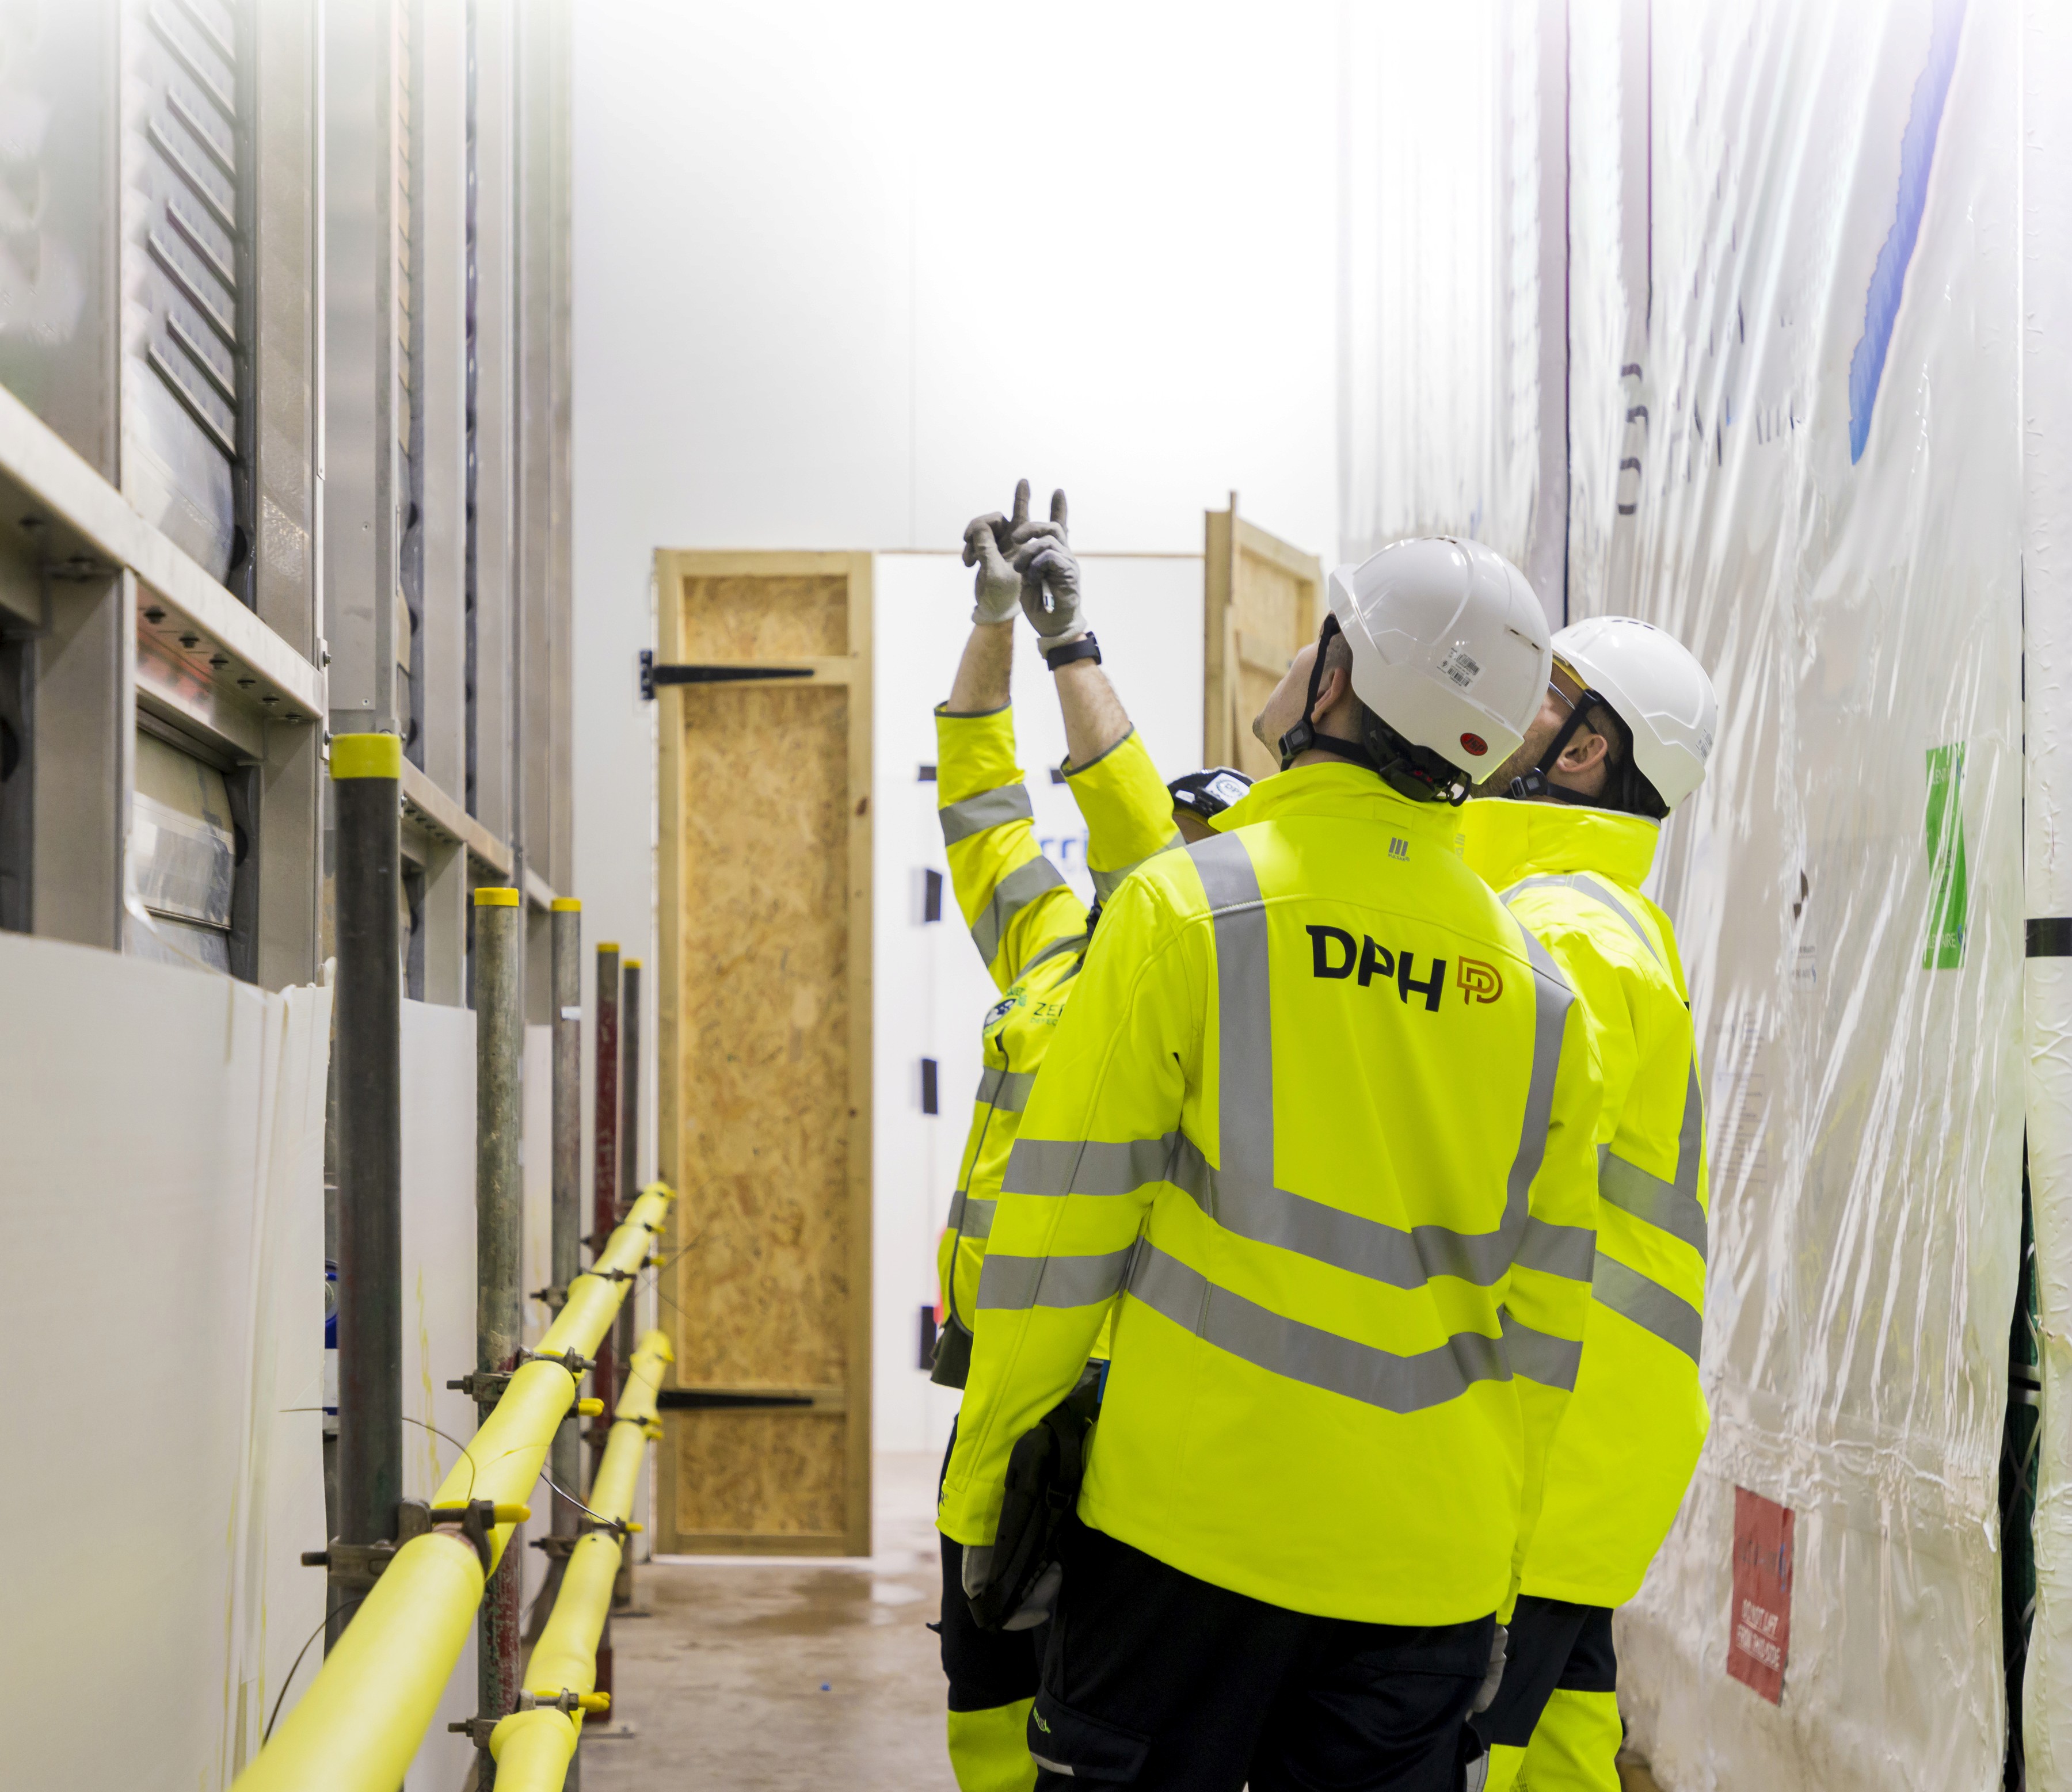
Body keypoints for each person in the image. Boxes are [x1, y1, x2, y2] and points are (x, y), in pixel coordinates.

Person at [938, 536, 1606, 1792]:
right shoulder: (1545, 1002)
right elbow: (1546, 1340)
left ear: (1342, 677)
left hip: (1188, 1547)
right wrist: (1499, 1577)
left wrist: (987, 1491)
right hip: (1431, 1576)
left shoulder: (1187, 915)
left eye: (1320, 634)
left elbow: (1057, 1246)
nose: (1298, 654)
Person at [932, 481, 1252, 1792]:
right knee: (980, 1690)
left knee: (1085, 1715)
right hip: (1000, 1383)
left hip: (1118, 1402)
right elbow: (979, 797)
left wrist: (1078, 647)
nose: (1173, 855)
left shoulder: (1222, 979)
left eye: (1195, 847)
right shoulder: (1058, 942)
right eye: (1173, 830)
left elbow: (1127, 837)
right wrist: (996, 626)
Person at [1461, 617, 1717, 1792]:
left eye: (1545, 691)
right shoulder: (1584, 916)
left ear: (1584, 754)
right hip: (1589, 1448)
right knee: (1561, 1747)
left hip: (1546, 1455)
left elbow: (1482, 1181)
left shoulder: (1560, 931)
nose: (1507, 703)